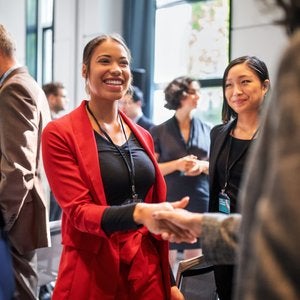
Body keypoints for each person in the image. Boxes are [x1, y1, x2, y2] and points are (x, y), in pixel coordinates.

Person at [150, 1, 300, 299]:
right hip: (223, 230)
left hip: (258, 238)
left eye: (245, 82)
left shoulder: (277, 135)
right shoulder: (220, 131)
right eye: (229, 85)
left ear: (266, 86)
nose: (236, 92)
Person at [41, 33, 185, 300]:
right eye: (104, 61)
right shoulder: (59, 133)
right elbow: (79, 212)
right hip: (94, 270)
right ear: (85, 70)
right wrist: (139, 213)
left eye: (123, 62)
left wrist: (170, 281)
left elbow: (151, 211)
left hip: (146, 269)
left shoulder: (143, 134)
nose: (116, 70)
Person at [0, 24, 51, 299]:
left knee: (17, 293)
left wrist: (1, 219)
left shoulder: (12, 89)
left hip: (14, 220)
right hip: (23, 216)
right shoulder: (29, 83)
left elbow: (18, 169)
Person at [150, 76, 211, 270]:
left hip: (200, 195)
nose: (198, 96)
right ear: (180, 95)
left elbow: (215, 166)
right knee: (167, 253)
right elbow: (153, 169)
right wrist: (177, 164)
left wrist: (201, 166)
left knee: (195, 256)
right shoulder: (158, 131)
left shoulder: (208, 129)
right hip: (171, 196)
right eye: (193, 92)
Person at [42, 82, 69, 222]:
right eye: (63, 96)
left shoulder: (58, 124)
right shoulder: (46, 125)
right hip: (47, 183)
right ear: (52, 98)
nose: (67, 100)